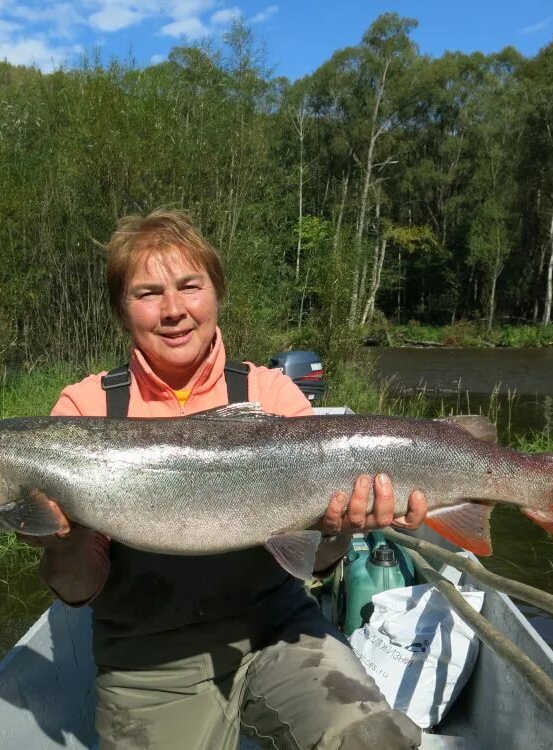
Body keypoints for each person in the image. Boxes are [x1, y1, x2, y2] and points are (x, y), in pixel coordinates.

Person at [22, 209, 428, 749]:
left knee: (374, 739)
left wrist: (342, 530)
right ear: (123, 311)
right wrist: (61, 539)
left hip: (279, 632)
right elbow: (76, 588)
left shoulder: (275, 396)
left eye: (190, 286)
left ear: (216, 294)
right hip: (149, 660)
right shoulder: (84, 410)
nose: (173, 310)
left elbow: (319, 560)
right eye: (147, 293)